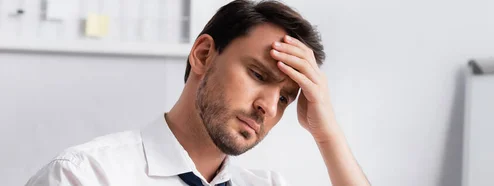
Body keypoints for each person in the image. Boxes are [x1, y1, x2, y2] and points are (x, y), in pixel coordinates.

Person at [25, 0, 370, 185]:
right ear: (204, 54)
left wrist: (328, 136)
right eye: (256, 73)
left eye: (284, 98)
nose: (268, 107)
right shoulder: (85, 176)